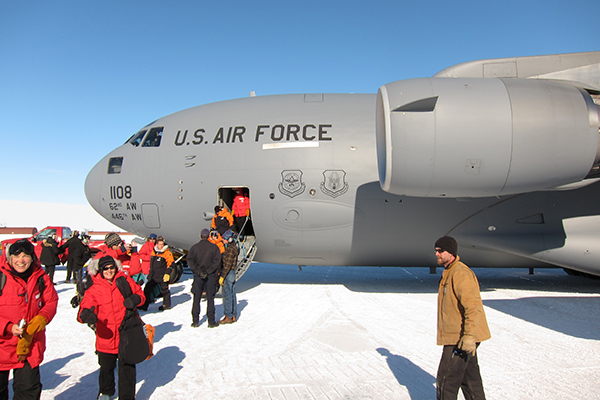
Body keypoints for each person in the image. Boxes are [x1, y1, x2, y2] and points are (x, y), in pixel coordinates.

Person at [77, 255, 145, 400]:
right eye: (105, 268)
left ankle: (127, 397)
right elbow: (83, 310)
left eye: (111, 267)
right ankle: (106, 393)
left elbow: (141, 294)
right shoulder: (94, 289)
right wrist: (86, 315)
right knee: (106, 369)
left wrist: (135, 299)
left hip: (126, 334)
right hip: (105, 336)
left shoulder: (125, 281)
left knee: (127, 369)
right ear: (100, 270)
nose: (109, 271)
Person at [0, 239, 58, 399]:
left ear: (32, 257)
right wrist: (7, 327)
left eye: (25, 256)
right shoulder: (1, 277)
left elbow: (51, 301)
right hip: (2, 343)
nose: (21, 260)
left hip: (29, 344)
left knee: (28, 392)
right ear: (9, 258)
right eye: (16, 256)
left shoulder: (41, 277)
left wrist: (43, 317)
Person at [434, 236, 491, 400]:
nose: (436, 254)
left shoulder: (460, 273)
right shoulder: (449, 272)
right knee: (469, 380)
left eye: (440, 251)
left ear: (450, 252)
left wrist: (469, 337)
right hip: (458, 334)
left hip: (460, 336)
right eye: (436, 251)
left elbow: (473, 307)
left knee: (446, 381)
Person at [187, 229, 221, 328]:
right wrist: (209, 271)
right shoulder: (214, 247)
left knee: (196, 298)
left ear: (200, 235)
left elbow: (190, 260)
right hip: (210, 276)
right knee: (210, 298)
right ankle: (211, 321)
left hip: (198, 276)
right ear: (208, 236)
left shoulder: (195, 247)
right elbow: (217, 261)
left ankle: (195, 321)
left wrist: (198, 272)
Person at [140, 237, 174, 311]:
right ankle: (144, 305)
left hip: (162, 275)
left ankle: (166, 305)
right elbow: (151, 264)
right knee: (147, 290)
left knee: (165, 291)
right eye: (159, 244)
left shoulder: (167, 253)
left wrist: (167, 273)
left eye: (162, 244)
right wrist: (150, 274)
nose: (161, 246)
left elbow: (171, 264)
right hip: (154, 275)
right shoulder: (154, 252)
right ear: (157, 244)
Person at [219, 231, 239, 324]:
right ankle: (234, 315)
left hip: (228, 273)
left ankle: (228, 316)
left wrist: (222, 276)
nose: (223, 240)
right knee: (232, 294)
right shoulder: (234, 247)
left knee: (227, 295)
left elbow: (227, 264)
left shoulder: (230, 249)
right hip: (232, 273)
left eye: (224, 239)